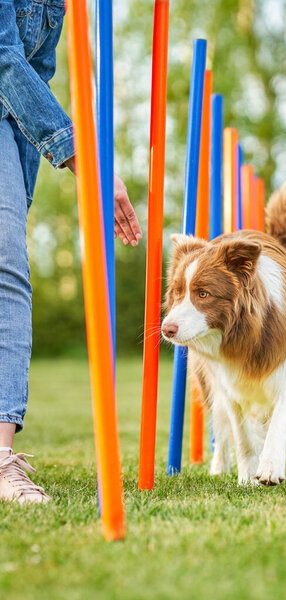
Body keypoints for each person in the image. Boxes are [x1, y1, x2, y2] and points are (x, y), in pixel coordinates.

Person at [0, 0, 142, 503]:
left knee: (6, 263)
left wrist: (27, 174)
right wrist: (88, 161)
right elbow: (3, 56)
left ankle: (0, 459)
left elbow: (35, 75)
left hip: (8, 119)